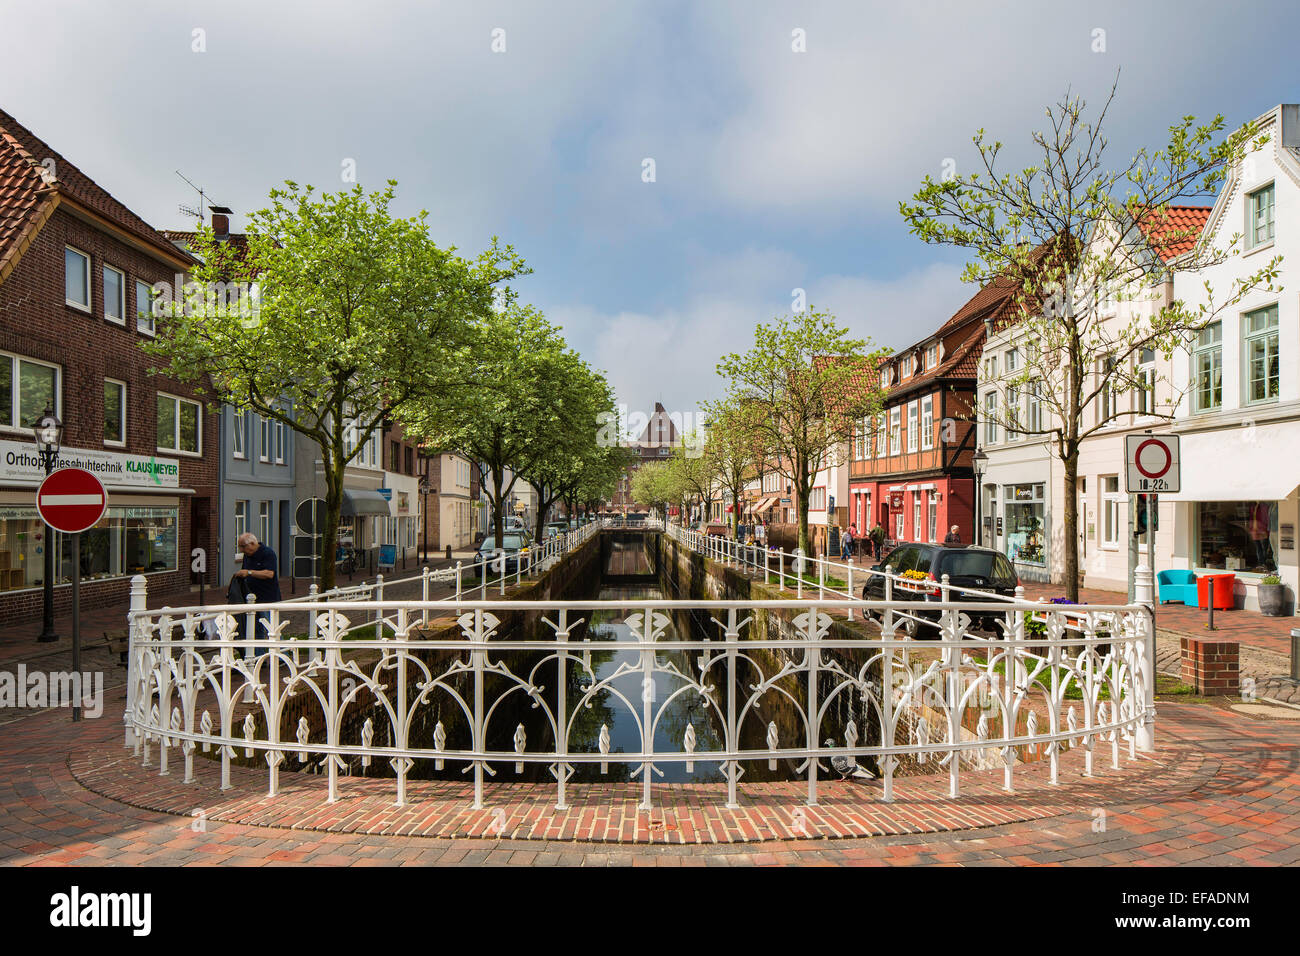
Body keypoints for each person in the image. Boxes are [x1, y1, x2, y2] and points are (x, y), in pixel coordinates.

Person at [236, 533, 282, 655]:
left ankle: (282, 655)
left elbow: (269, 574)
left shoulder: (268, 553)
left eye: (243, 546)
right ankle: (258, 657)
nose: (242, 550)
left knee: (272, 628)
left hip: (268, 598)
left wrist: (249, 573)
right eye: (240, 547)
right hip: (252, 599)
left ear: (252, 543)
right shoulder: (247, 555)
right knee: (256, 628)